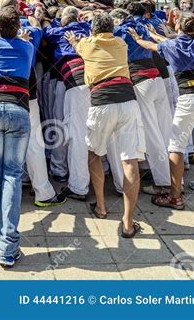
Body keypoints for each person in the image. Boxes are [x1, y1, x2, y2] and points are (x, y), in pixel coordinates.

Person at [129, 14, 194, 217]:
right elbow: (170, 40)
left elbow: (153, 46)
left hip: (190, 98)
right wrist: (156, 34)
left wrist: (138, 39)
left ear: (178, 26)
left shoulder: (172, 46)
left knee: (175, 146)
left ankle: (175, 196)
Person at [66, 12, 145, 238]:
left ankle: (101, 207)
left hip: (101, 101)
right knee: (130, 160)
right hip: (127, 100)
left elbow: (75, 45)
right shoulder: (121, 43)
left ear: (92, 30)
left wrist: (74, 41)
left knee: (94, 154)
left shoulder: (86, 44)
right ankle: (128, 223)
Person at [0, 6, 33, 267]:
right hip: (18, 110)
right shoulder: (27, 48)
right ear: (18, 27)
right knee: (12, 174)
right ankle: (8, 247)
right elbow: (32, 30)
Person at [113, 3, 172, 195]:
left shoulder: (123, 28)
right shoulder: (148, 25)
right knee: (164, 128)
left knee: (151, 132)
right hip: (156, 78)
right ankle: (170, 172)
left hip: (140, 80)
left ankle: (163, 183)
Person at [43, 7, 91, 199]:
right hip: (92, 81)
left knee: (63, 126)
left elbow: (46, 32)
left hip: (69, 83)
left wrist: (45, 19)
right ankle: (101, 170)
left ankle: (64, 172)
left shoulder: (61, 31)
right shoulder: (87, 28)